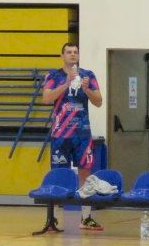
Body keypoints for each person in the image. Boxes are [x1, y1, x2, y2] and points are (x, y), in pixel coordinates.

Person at [41, 42, 103, 231]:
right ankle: (52, 219)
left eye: (75, 52)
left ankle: (86, 218)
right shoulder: (53, 75)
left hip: (82, 134)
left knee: (85, 173)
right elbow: (46, 98)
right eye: (69, 52)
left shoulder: (88, 75)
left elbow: (99, 101)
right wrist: (66, 84)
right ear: (62, 55)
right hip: (60, 134)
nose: (73, 54)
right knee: (58, 175)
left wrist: (86, 89)